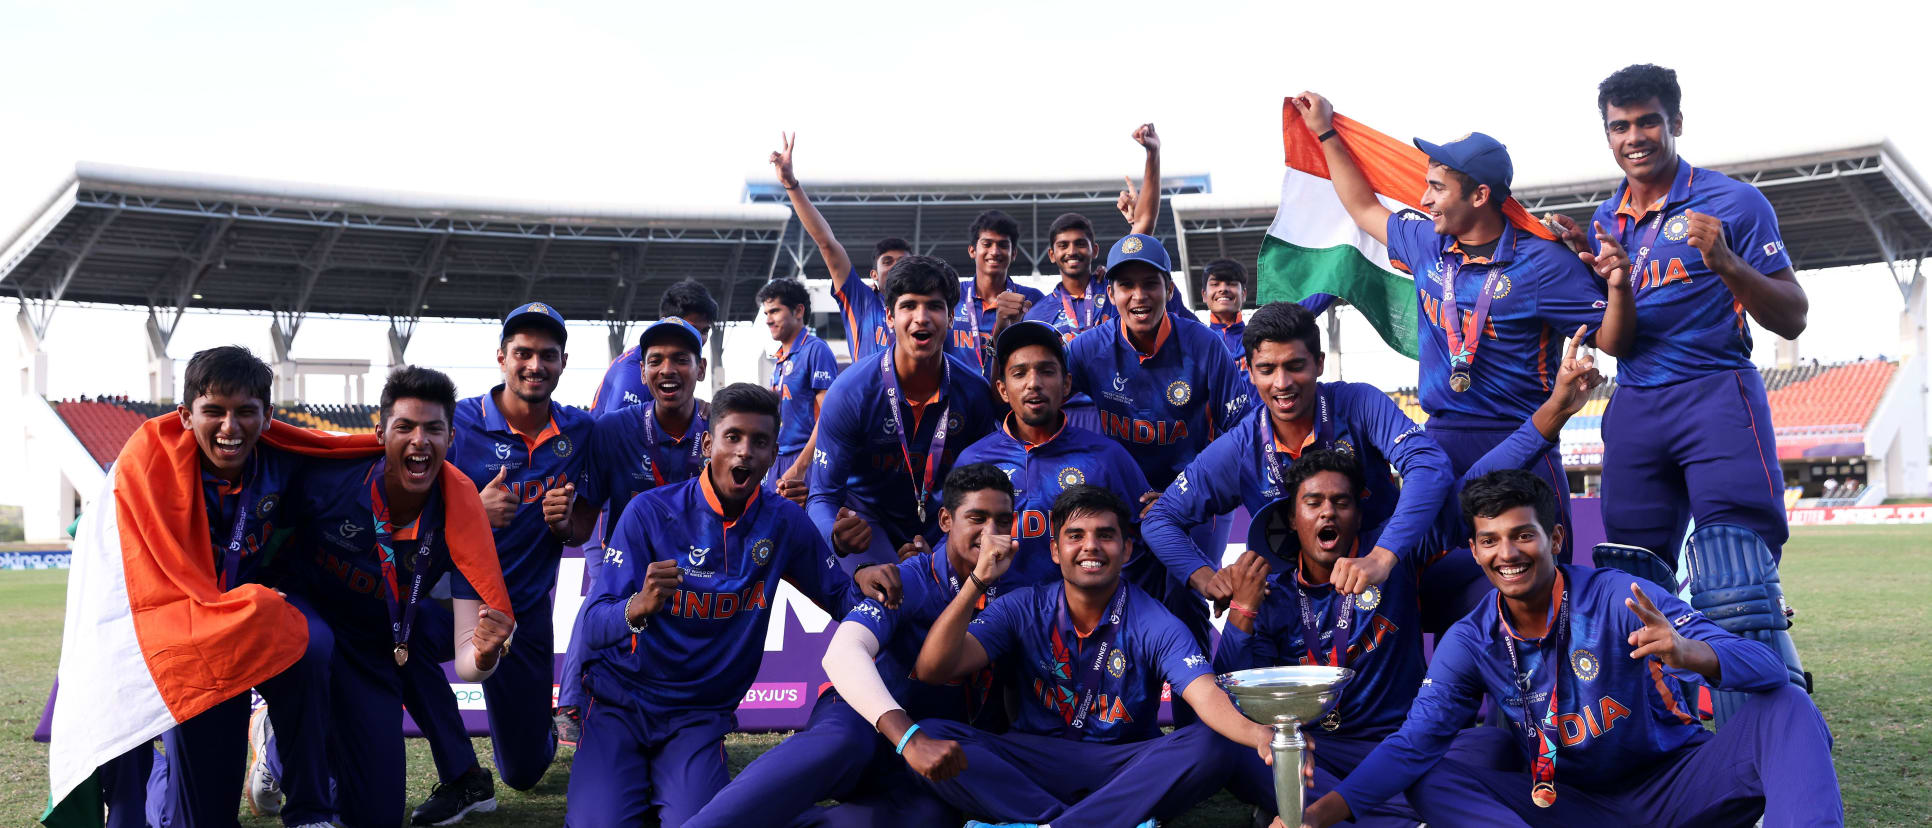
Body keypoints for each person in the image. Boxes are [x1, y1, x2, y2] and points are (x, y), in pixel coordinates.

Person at [1295, 470, 1843, 828]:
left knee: (1789, 707)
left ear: (1555, 539)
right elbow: (1414, 743)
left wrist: (1689, 651)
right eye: (1490, 540)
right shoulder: (1472, 638)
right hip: (1569, 803)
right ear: (1474, 550)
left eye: (1523, 535)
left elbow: (1768, 667)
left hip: (1677, 787)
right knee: (1434, 771)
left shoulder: (1620, 597)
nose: (1507, 554)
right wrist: (1319, 816)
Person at [1221, 327, 1603, 825]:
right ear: (1292, 518)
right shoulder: (1268, 589)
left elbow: (1476, 480)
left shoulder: (1394, 555)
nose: (1327, 515)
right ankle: (1384, 813)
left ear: (1361, 512)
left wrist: (1556, 410)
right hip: (1317, 749)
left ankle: (1338, 812)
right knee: (1233, 751)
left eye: (1340, 503)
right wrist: (1241, 613)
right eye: (1312, 504)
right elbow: (1234, 686)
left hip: (1394, 746)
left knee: (1486, 746)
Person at [1545, 66, 1809, 719]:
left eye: (1646, 122)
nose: (1634, 137)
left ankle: (1773, 745)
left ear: (1676, 123)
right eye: (1620, 126)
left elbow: (1793, 317)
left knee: (1735, 575)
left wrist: (1726, 263)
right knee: (1632, 581)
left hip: (1715, 394)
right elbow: (1616, 342)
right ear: (1607, 133)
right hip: (1636, 405)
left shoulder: (1734, 204)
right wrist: (1615, 284)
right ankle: (1662, 741)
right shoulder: (1609, 218)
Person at [1291, 90, 1610, 586]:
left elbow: (1613, 334)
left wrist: (1602, 271)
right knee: (1425, 586)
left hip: (1523, 440)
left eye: (1437, 188)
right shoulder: (1428, 242)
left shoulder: (1547, 263)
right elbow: (1361, 207)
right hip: (1441, 444)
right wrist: (1327, 132)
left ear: (1480, 195)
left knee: (1537, 589)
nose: (1423, 199)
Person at [565, 384, 862, 827]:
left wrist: (881, 578)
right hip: (619, 704)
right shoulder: (649, 512)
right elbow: (591, 624)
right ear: (708, 444)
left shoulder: (783, 522)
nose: (745, 453)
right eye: (733, 438)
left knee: (702, 823)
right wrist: (638, 606)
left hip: (697, 716)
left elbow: (841, 597)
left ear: (773, 451)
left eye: (759, 442)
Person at [910, 485, 1276, 828]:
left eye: (1105, 535)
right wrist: (977, 581)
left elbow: (1206, 693)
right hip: (1035, 760)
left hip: (1124, 765)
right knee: (928, 735)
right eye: (1075, 536)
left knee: (1215, 742)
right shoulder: (1021, 607)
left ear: (1127, 549)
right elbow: (933, 669)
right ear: (1055, 551)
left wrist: (1257, 733)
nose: (1091, 547)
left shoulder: (1154, 620)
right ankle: (1098, 820)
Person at [683, 463, 1019, 828]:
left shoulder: (1018, 590)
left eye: (1002, 521)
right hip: (868, 728)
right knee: (840, 743)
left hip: (932, 753)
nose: (991, 534)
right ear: (945, 520)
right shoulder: (911, 578)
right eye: (977, 518)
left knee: (931, 817)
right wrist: (909, 738)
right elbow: (841, 653)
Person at [275, 366, 517, 828]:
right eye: (405, 427)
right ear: (380, 432)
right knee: (314, 647)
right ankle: (283, 739)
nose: (419, 441)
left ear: (451, 439)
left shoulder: (462, 515)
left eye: (433, 429)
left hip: (376, 647)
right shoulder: (329, 480)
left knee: (377, 816)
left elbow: (469, 661)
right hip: (304, 631)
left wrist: (486, 655)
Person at [107, 347, 337, 828]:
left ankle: (310, 808)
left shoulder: (287, 464)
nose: (230, 427)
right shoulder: (152, 471)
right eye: (214, 411)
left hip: (260, 615)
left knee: (313, 644)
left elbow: (363, 475)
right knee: (198, 821)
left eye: (245, 412)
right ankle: (163, 771)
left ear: (269, 416)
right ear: (186, 416)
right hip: (187, 630)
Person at [398, 302, 598, 824]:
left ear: (562, 362)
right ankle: (464, 776)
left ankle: (540, 732)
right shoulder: (456, 422)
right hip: (452, 598)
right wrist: (470, 515)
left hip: (523, 614)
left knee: (526, 773)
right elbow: (401, 511)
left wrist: (564, 524)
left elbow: (580, 529)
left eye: (547, 355)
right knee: (400, 640)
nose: (535, 365)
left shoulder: (581, 433)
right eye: (523, 353)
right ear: (501, 358)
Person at [1141, 301, 1456, 629]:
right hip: (1298, 609)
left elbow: (1429, 465)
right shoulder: (1240, 446)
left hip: (1383, 582)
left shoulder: (1358, 403)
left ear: (1319, 364)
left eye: (1295, 365)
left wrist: (1383, 556)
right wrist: (1205, 578)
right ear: (1248, 370)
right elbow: (1159, 520)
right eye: (1267, 369)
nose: (1282, 383)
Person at [1066, 232, 1251, 652]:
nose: (1139, 296)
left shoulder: (1204, 345)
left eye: (1149, 283)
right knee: (1122, 609)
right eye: (1126, 286)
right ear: (1109, 293)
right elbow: (1036, 402)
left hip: (1192, 501)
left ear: (1169, 289)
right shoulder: (1088, 349)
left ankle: (1197, 718)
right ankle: (1135, 717)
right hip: (1124, 504)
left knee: (1185, 604)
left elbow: (1243, 433)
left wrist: (1179, 496)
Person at [555, 315, 714, 744]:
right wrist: (562, 524)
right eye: (656, 360)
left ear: (700, 368)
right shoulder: (613, 430)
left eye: (681, 360)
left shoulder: (718, 430)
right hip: (630, 569)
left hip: (696, 569)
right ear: (641, 371)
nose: (668, 370)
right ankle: (571, 703)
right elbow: (583, 522)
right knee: (597, 610)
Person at [808, 255, 999, 573]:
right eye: (909, 305)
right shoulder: (850, 393)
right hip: (867, 526)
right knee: (883, 595)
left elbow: (984, 491)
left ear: (951, 318)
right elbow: (822, 498)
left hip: (943, 525)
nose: (921, 318)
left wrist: (944, 545)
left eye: (934, 306)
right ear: (889, 317)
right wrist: (836, 537)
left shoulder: (975, 393)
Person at [955, 320, 1156, 586]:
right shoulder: (973, 461)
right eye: (1019, 373)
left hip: (1083, 621)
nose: (1033, 383)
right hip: (997, 621)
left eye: (1047, 371)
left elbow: (1148, 539)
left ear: (1066, 385)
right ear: (1002, 390)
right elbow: (952, 551)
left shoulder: (1107, 458)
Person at [767, 133, 969, 365]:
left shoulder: (930, 311)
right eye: (887, 261)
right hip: (871, 400)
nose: (896, 266)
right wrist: (790, 184)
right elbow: (827, 244)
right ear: (873, 275)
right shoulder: (859, 300)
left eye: (902, 261)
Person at [756, 277, 840, 503]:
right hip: (778, 460)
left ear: (798, 310)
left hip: (806, 459)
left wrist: (801, 467)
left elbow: (830, 416)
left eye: (774, 311)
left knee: (804, 532)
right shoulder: (780, 358)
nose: (768, 320)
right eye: (766, 313)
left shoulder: (816, 350)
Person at [591, 278, 719, 415]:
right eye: (691, 328)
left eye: (705, 331)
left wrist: (692, 407)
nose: (699, 339)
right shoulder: (632, 373)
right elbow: (617, 432)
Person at [951, 208, 1046, 376]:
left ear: (1014, 253)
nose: (994, 252)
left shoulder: (1033, 299)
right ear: (972, 251)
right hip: (961, 399)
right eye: (987, 244)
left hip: (1009, 398)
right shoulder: (952, 295)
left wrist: (1100, 280)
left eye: (1003, 245)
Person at [1200, 258, 1250, 375]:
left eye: (1231, 284)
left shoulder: (1260, 339)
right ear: (1204, 295)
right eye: (1215, 284)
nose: (1223, 289)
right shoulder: (1196, 341)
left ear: (1243, 294)